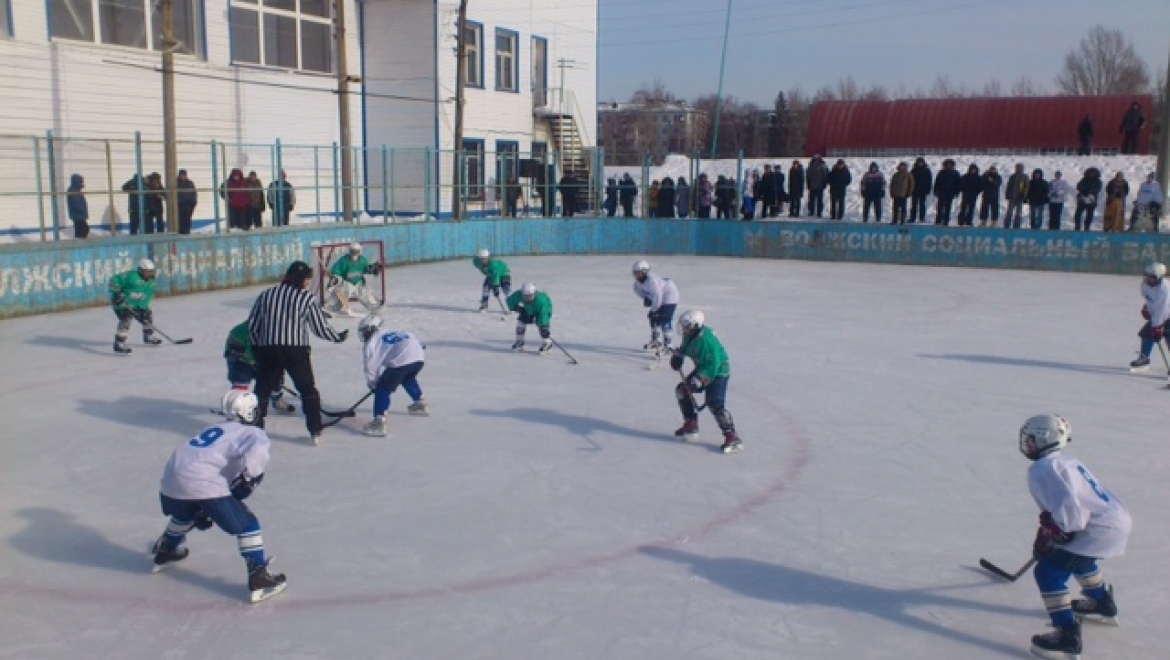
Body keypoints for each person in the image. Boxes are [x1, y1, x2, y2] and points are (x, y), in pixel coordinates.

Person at [150, 389, 287, 603]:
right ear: (250, 412)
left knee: (186, 513)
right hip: (202, 483)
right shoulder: (252, 433)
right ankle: (258, 573)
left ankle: (167, 547)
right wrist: (249, 479)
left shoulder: (214, 428)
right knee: (247, 524)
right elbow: (256, 459)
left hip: (170, 483)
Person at [1017, 413, 1130, 659]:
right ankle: (1101, 603)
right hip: (1111, 521)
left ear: (1046, 439)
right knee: (1078, 558)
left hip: (1096, 528)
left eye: (1032, 439)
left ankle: (1067, 635)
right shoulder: (1064, 461)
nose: (1027, 444)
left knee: (1048, 572)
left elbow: (1072, 517)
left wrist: (1055, 530)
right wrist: (1054, 527)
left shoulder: (1045, 468)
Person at [247, 260, 349, 446]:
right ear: (299, 279)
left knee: (261, 391)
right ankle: (314, 429)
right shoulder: (306, 299)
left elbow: (253, 326)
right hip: (296, 351)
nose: (308, 282)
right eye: (306, 278)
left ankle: (255, 427)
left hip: (269, 350)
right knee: (307, 390)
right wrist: (337, 337)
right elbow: (319, 328)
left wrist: (257, 350)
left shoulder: (266, 295)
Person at [669, 310, 742, 454]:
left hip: (718, 371)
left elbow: (713, 365)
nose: (683, 329)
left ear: (695, 325)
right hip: (704, 367)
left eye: (686, 326)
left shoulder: (707, 341)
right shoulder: (690, 334)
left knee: (715, 403)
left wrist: (699, 379)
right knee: (682, 391)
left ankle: (732, 436)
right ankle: (691, 424)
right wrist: (679, 355)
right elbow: (685, 347)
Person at [358, 314, 429, 437]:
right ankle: (419, 404)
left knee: (383, 388)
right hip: (418, 357)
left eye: (364, 331)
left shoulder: (371, 344)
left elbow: (371, 367)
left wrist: (373, 384)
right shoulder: (389, 332)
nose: (363, 334)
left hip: (402, 360)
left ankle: (379, 422)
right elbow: (411, 338)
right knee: (408, 378)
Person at [224, 320, 296, 415]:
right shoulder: (246, 331)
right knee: (241, 382)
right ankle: (236, 407)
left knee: (275, 379)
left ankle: (277, 401)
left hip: (259, 356)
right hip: (240, 359)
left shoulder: (277, 331)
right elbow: (248, 349)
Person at [108, 258, 160, 354]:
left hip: (137, 303)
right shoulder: (131, 276)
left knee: (147, 315)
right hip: (121, 303)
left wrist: (142, 311)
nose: (149, 274)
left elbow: (146, 297)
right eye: (147, 272)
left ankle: (148, 336)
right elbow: (113, 280)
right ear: (141, 270)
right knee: (126, 318)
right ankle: (119, 343)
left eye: (151, 272)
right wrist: (117, 294)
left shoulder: (151, 282)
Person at [631, 259, 680, 354]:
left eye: (639, 273)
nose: (637, 275)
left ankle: (669, 346)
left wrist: (655, 310)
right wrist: (647, 300)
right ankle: (656, 341)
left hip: (670, 294)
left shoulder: (652, 281)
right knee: (653, 318)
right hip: (659, 296)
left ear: (645, 272)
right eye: (635, 273)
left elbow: (658, 295)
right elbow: (643, 295)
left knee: (665, 317)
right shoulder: (636, 285)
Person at [1128, 261, 1170, 370]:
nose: (1148, 279)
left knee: (1168, 337)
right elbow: (1150, 300)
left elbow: (1163, 310)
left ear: (1159, 277)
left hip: (1167, 315)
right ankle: (1144, 359)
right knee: (1146, 335)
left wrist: (1157, 327)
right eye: (1147, 276)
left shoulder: (1164, 289)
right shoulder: (1145, 285)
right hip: (1158, 316)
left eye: (1152, 277)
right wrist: (1147, 308)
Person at [326, 243, 382, 317]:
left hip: (358, 281)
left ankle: (374, 307)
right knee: (342, 294)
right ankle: (330, 309)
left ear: (360, 251)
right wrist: (335, 278)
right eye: (353, 251)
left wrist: (372, 269)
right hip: (346, 282)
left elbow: (366, 268)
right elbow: (335, 270)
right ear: (349, 251)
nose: (355, 253)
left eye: (356, 251)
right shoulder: (344, 260)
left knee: (364, 294)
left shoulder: (362, 260)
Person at [506, 282, 554, 354]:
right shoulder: (518, 295)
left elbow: (544, 314)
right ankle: (520, 341)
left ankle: (547, 342)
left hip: (542, 311)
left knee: (542, 327)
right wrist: (516, 308)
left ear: (534, 293)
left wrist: (544, 326)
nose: (528, 298)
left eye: (530, 296)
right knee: (520, 322)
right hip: (528, 309)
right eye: (526, 296)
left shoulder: (541, 301)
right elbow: (510, 301)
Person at [473, 248, 512, 312]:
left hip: (504, 273)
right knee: (485, 288)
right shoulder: (476, 262)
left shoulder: (493, 265)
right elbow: (475, 260)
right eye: (481, 259)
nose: (483, 260)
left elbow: (496, 276)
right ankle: (484, 305)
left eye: (485, 258)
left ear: (488, 257)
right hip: (491, 275)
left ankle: (513, 304)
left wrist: (495, 287)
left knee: (506, 288)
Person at [933, 159, 961, 226]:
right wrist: (935, 190)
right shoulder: (941, 172)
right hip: (941, 192)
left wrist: (956, 192)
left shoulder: (955, 173)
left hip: (950, 193)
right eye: (947, 164)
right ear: (945, 165)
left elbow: (958, 184)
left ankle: (946, 221)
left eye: (950, 164)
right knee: (939, 208)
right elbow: (937, 182)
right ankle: (938, 220)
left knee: (948, 208)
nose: (949, 166)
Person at [1004, 163, 1030, 229]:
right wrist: (1007, 194)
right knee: (1009, 212)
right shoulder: (1012, 176)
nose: (1018, 169)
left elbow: (1026, 187)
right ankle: (1006, 225)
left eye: (1019, 168)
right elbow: (1009, 186)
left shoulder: (1025, 177)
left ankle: (1016, 226)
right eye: (1017, 168)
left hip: (1020, 198)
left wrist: (1024, 195)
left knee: (1018, 213)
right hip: (1012, 197)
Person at [909, 157, 932, 223]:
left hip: (923, 191)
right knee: (913, 205)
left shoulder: (927, 171)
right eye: (919, 162)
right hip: (915, 190)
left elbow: (929, 181)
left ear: (923, 163)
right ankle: (912, 218)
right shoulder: (913, 170)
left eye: (921, 162)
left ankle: (922, 218)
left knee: (922, 205)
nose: (920, 163)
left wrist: (928, 189)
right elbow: (910, 181)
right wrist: (910, 189)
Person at [66, 173, 90, 239]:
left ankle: (80, 240)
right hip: (77, 214)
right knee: (83, 230)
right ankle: (79, 242)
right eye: (81, 182)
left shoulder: (75, 190)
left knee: (84, 229)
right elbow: (77, 203)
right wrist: (82, 210)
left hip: (79, 214)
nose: (82, 183)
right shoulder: (73, 191)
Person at [176, 169, 198, 235]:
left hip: (189, 205)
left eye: (184, 175)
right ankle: (181, 233)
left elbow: (194, 193)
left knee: (187, 219)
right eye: (181, 175)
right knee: (180, 220)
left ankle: (187, 232)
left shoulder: (190, 183)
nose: (183, 176)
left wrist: (193, 203)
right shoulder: (176, 183)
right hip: (180, 205)